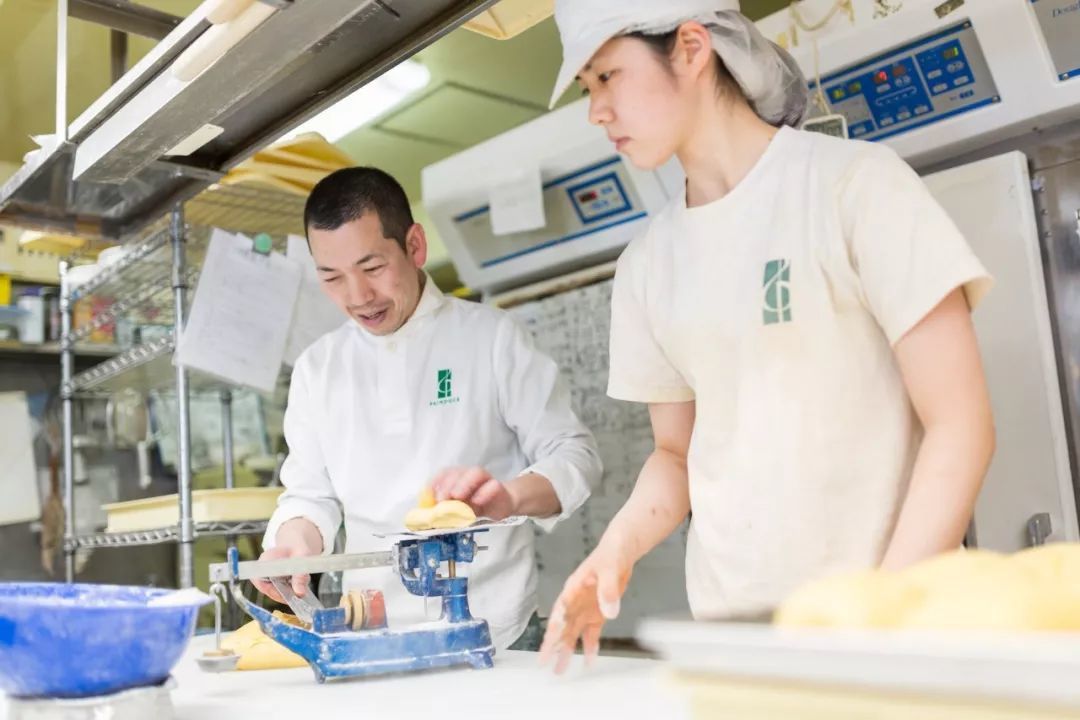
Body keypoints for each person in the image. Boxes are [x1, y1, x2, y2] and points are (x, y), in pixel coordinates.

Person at [540, 0, 995, 671]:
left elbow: (961, 424)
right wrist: (615, 550)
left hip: (896, 638)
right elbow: (676, 455)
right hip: (742, 648)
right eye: (587, 88)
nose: (596, 110)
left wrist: (885, 619)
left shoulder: (854, 186)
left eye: (608, 77)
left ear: (691, 48)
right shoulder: (646, 266)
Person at [256, 166, 602, 650]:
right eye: (331, 277)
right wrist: (295, 543)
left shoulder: (490, 338)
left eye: (372, 268)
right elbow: (310, 494)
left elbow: (575, 455)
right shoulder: (318, 369)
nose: (357, 297)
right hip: (369, 635)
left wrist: (508, 497)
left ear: (414, 246)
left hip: (497, 631)